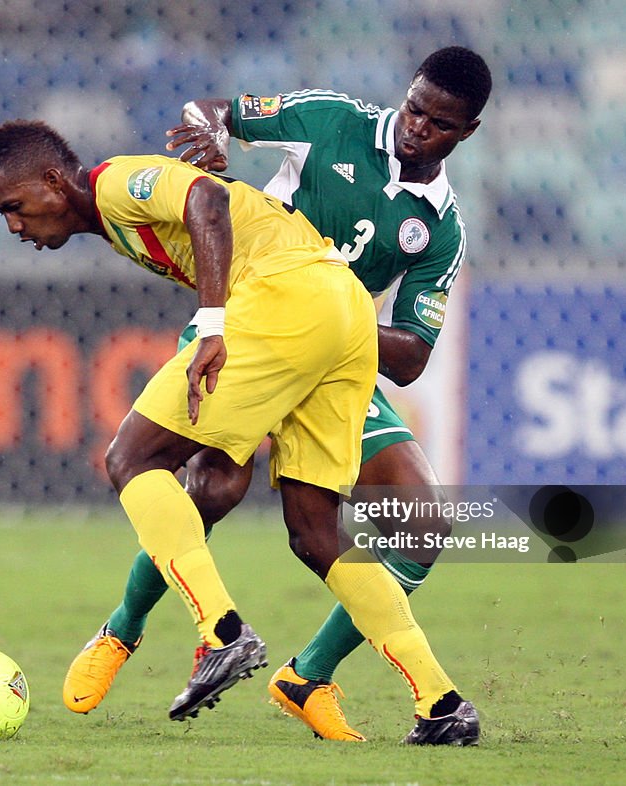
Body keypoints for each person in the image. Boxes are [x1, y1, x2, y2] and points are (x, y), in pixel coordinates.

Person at [63, 46, 491, 745]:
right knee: (213, 486)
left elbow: (412, 357)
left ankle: (307, 675)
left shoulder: (440, 230)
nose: (416, 126)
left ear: (466, 132)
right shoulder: (331, 120)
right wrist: (209, 130)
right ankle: (123, 629)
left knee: (423, 522)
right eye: (414, 106)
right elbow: (217, 111)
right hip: (243, 330)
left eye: (439, 123)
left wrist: (330, 323)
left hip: (331, 364)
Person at [0, 120, 461, 733]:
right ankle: (440, 702)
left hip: (278, 302)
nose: (14, 226)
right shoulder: (117, 222)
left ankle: (219, 634)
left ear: (52, 180)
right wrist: (215, 125)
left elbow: (205, 198)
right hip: (342, 311)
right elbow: (214, 182)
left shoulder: (116, 183)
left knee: (131, 458)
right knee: (310, 526)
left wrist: (210, 325)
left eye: (14, 208)